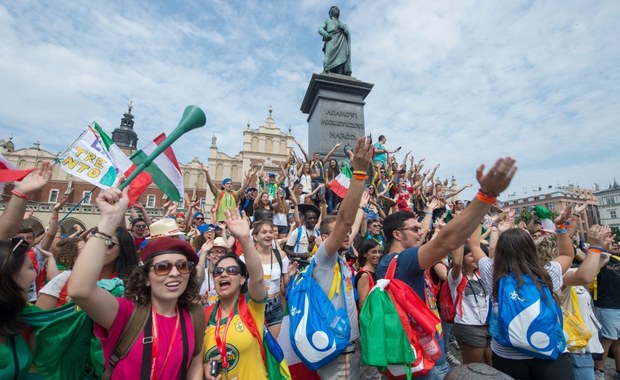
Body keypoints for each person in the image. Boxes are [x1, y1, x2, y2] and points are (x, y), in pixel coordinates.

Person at [377, 157, 517, 380]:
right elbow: (446, 242)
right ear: (397, 234)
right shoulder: (402, 261)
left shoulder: (395, 259)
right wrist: (485, 197)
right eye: (415, 229)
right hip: (419, 356)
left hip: (425, 347)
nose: (421, 232)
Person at [68, 187, 204, 379]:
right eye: (163, 267)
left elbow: (195, 365)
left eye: (182, 266)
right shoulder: (126, 312)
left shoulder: (194, 314)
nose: (175, 273)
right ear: (146, 277)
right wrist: (108, 222)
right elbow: (79, 290)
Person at [470, 213, 576, 379]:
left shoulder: (493, 271)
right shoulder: (548, 271)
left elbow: (475, 246)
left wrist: (479, 216)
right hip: (549, 351)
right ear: (531, 248)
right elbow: (568, 255)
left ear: (500, 250)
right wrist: (561, 227)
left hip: (507, 354)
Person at [309, 136, 373, 379]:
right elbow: (345, 223)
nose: (347, 235)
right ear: (326, 237)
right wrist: (358, 175)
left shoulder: (339, 259)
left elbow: (351, 227)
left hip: (349, 344)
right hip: (338, 346)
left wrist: (362, 209)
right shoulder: (324, 259)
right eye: (339, 234)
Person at [203, 210, 268, 379]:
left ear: (241, 280)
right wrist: (203, 368)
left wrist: (245, 239)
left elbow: (258, 279)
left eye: (232, 270)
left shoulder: (252, 307)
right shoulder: (204, 316)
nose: (223, 274)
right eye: (218, 272)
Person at [249, 220, 297, 339]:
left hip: (275, 305)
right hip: (253, 305)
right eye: (264, 232)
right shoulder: (247, 257)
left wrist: (289, 276)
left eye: (270, 232)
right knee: (256, 343)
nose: (268, 235)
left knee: (273, 346)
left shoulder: (281, 255)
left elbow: (285, 283)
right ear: (255, 236)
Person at [318, 5, 352, 75]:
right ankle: (327, 70)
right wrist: (326, 34)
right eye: (336, 9)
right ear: (331, 13)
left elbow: (347, 33)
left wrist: (343, 29)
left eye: (338, 9)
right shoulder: (327, 21)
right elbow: (320, 29)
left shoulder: (343, 24)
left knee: (342, 57)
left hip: (342, 41)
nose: (338, 10)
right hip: (331, 39)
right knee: (328, 57)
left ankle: (340, 75)